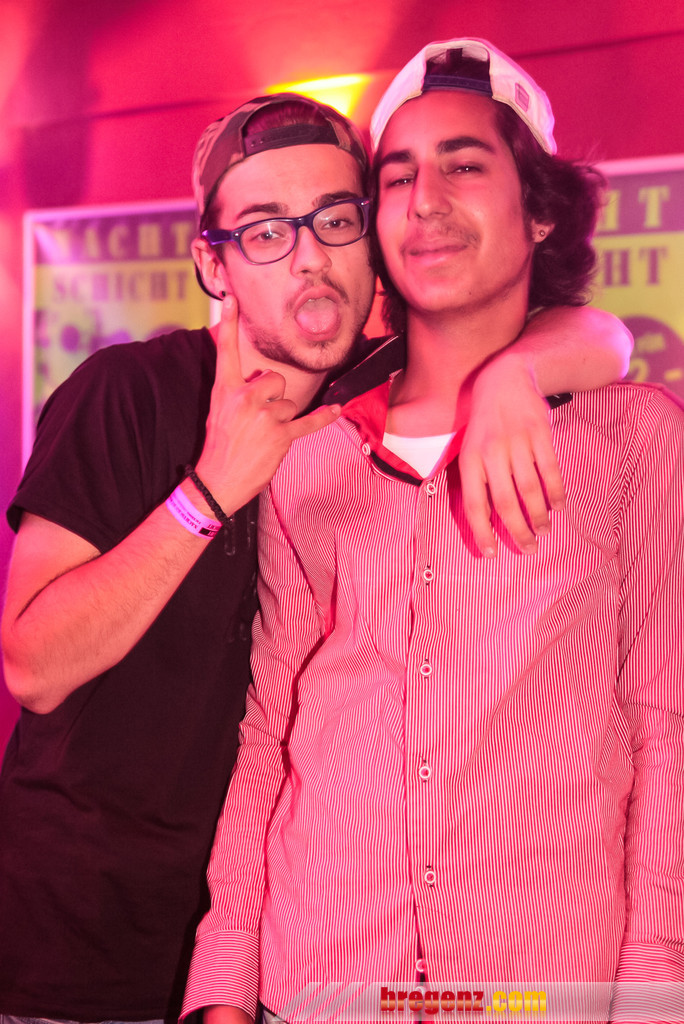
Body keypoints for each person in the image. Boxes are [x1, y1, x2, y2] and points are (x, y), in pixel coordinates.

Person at [0, 91, 628, 1024]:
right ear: (212, 264)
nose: (309, 258)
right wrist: (210, 491)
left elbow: (599, 333)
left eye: (336, 219)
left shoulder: (382, 396)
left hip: (283, 947)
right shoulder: (130, 393)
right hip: (88, 949)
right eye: (264, 231)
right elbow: (34, 665)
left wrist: (516, 372)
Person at [181, 41, 684, 1024]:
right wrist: (224, 980)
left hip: (539, 991)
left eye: (465, 165)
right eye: (400, 176)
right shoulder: (311, 454)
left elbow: (668, 729)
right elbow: (272, 725)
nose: (425, 201)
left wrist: (655, 992)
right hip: (319, 981)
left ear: (540, 210)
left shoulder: (635, 439)